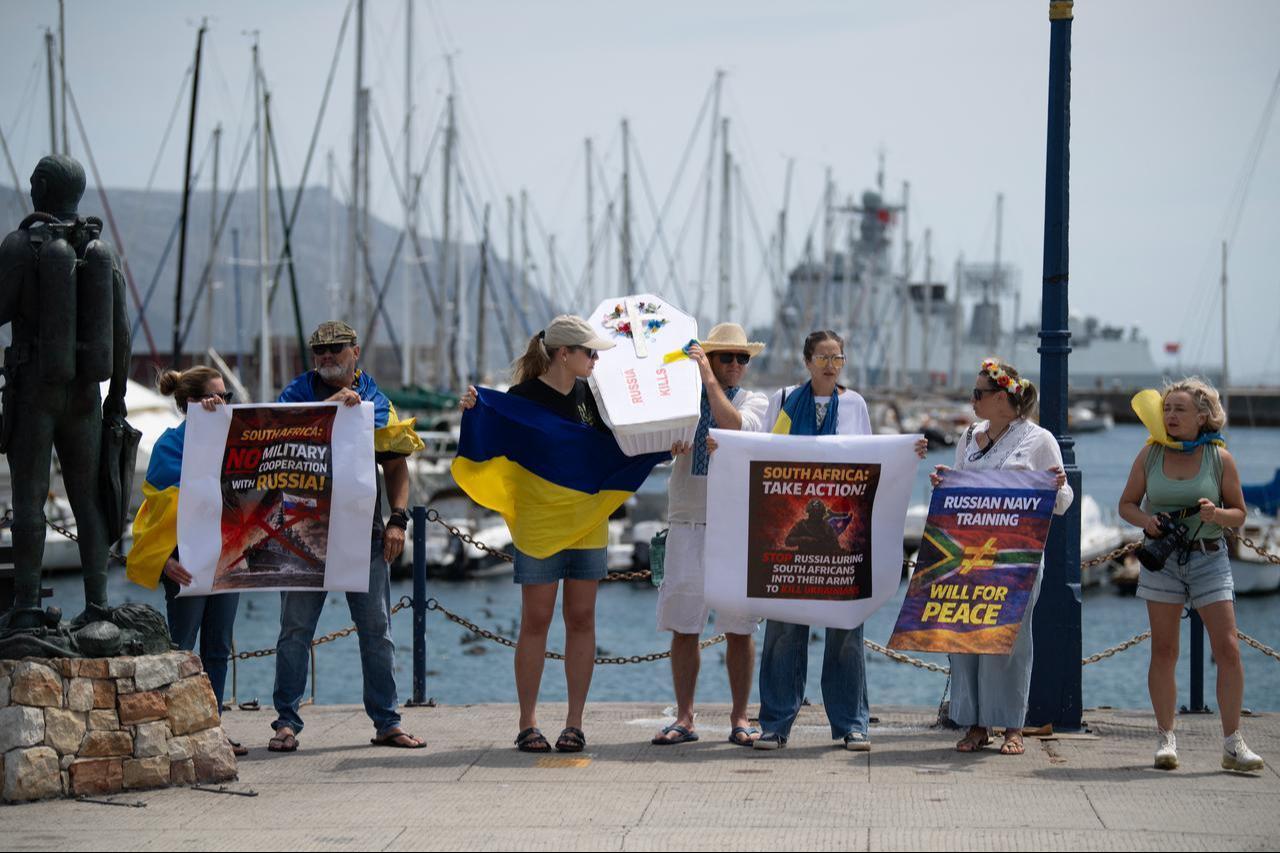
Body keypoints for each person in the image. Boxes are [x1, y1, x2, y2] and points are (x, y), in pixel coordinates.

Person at [460, 315, 627, 754]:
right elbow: (495, 440)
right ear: (563, 354)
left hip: (589, 522)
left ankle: (574, 723)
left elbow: (622, 446)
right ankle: (527, 723)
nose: (595, 359)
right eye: (588, 352)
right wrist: (475, 412)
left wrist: (668, 442)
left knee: (582, 619)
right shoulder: (521, 398)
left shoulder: (594, 396)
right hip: (538, 525)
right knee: (536, 620)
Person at [753, 330, 926, 751]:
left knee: (846, 629)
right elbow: (762, 450)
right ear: (807, 360)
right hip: (788, 530)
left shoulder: (855, 404)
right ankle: (776, 723)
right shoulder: (783, 399)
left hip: (841, 540)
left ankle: (851, 723)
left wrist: (906, 452)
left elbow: (868, 460)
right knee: (783, 628)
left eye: (839, 357)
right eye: (824, 357)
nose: (832, 364)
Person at [267, 321, 426, 752]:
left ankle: (387, 721)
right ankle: (285, 721)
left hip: (362, 529)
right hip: (300, 530)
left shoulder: (377, 401)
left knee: (377, 628)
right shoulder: (295, 395)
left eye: (336, 349)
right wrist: (330, 410)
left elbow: (395, 465)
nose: (326, 357)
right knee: (295, 629)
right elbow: (275, 440)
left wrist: (398, 521)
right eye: (319, 351)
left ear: (355, 352)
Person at [0, 154, 130, 630]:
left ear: (40, 186)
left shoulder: (20, 245)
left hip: (34, 386)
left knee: (31, 498)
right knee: (88, 498)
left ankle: (27, 607)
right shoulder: (100, 251)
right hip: (86, 395)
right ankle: (97, 604)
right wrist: (116, 398)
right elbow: (121, 334)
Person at [1118, 378, 1263, 772]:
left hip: (1208, 557)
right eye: (1167, 409)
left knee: (1228, 649)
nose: (1170, 416)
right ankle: (1166, 738)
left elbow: (1240, 513)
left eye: (1179, 410)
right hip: (1162, 561)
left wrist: (1216, 515)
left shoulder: (1220, 458)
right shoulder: (1150, 454)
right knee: (1164, 651)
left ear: (1203, 416)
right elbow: (1126, 504)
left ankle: (1233, 743)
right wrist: (1147, 522)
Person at [928, 358, 1072, 756]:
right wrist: (944, 483)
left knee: (1010, 639)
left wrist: (1054, 486)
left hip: (1015, 556)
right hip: (967, 554)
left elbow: (1062, 503)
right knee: (966, 635)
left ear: (1003, 398)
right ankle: (975, 723)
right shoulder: (969, 437)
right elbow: (958, 485)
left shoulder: (1039, 440)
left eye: (979, 394)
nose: (972, 400)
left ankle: (1013, 725)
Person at [650, 323, 768, 747]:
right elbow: (653, 443)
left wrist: (707, 379)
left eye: (743, 359)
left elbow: (734, 425)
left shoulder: (755, 400)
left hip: (737, 524)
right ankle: (685, 716)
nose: (736, 365)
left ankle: (739, 716)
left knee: (740, 626)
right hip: (687, 520)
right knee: (685, 626)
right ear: (712, 358)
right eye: (727, 358)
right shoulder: (682, 402)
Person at [127, 366, 246, 756]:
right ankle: (176, 731)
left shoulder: (236, 441)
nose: (224, 404)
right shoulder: (169, 446)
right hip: (185, 564)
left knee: (217, 650)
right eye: (217, 397)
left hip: (227, 561)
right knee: (182, 648)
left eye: (226, 397)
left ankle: (213, 729)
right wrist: (162, 562)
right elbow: (152, 515)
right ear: (192, 403)